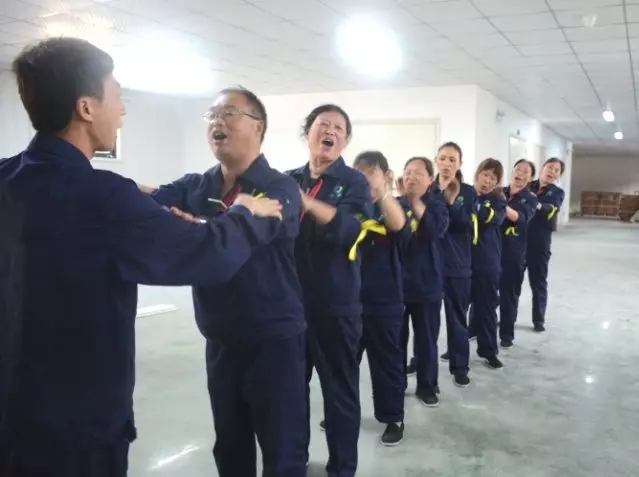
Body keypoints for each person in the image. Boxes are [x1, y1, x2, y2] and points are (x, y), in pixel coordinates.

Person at [0, 38, 284, 477]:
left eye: (230, 113)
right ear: (86, 108)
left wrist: (159, 216)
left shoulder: (8, 176)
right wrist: (246, 213)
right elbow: (207, 254)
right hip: (76, 421)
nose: (122, 111)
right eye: (116, 95)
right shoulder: (104, 198)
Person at [144, 87, 307, 477]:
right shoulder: (196, 186)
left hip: (274, 340)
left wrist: (199, 226)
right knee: (230, 446)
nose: (217, 121)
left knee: (283, 450)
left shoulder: (280, 189)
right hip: (221, 339)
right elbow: (149, 206)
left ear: (258, 127)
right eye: (212, 115)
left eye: (229, 113)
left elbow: (233, 242)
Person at [286, 104, 372, 477]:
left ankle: (343, 467)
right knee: (291, 391)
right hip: (290, 306)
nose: (330, 131)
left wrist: (304, 202)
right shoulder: (289, 179)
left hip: (336, 306)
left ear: (345, 140)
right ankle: (294, 460)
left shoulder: (353, 183)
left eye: (338, 128)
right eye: (323, 124)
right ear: (308, 131)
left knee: (340, 392)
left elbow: (350, 229)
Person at [351, 151, 409, 445]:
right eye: (359, 173)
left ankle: (393, 417)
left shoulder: (394, 208)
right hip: (349, 300)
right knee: (345, 363)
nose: (364, 179)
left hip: (384, 301)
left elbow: (399, 227)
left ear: (386, 175)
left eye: (370, 172)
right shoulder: (351, 207)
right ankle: (345, 413)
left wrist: (382, 192)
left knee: (386, 363)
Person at [400, 157, 450, 407]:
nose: (411, 177)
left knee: (427, 340)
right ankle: (396, 384)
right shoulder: (394, 204)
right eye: (408, 172)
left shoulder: (437, 205)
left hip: (427, 284)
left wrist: (415, 203)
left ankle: (427, 386)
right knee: (396, 341)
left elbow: (434, 231)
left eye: (418, 173)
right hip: (397, 285)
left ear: (430, 179)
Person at [436, 142, 475, 388]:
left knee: (457, 319)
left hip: (457, 264)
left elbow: (464, 223)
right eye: (443, 158)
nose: (447, 164)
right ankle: (420, 361)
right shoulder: (428, 188)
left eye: (452, 160)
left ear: (460, 164)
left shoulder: (468, 193)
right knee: (425, 322)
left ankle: (460, 367)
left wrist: (450, 202)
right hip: (429, 266)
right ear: (436, 161)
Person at [468, 159, 506, 369]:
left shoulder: (498, 201)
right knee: (458, 310)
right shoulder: (465, 194)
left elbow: (493, 218)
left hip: (487, 263)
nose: (488, 181)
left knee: (487, 309)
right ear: (477, 174)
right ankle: (456, 349)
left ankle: (488, 350)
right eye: (485, 175)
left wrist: (474, 207)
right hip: (462, 262)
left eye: (493, 178)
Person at [523, 157, 566, 332]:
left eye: (556, 170)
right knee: (510, 282)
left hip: (540, 243)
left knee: (538, 282)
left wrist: (537, 205)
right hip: (519, 240)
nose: (552, 171)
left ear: (559, 175)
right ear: (542, 168)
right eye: (550, 167)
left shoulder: (557, 193)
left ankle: (538, 319)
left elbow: (551, 209)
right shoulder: (527, 185)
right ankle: (506, 317)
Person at [499, 159, 538, 348]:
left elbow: (520, 218)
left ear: (530, 178)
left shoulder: (530, 198)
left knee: (509, 295)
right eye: (518, 169)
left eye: (525, 172)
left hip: (513, 253)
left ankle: (506, 334)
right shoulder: (500, 191)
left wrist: (499, 204)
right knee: (482, 294)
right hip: (490, 251)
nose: (520, 174)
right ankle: (475, 329)